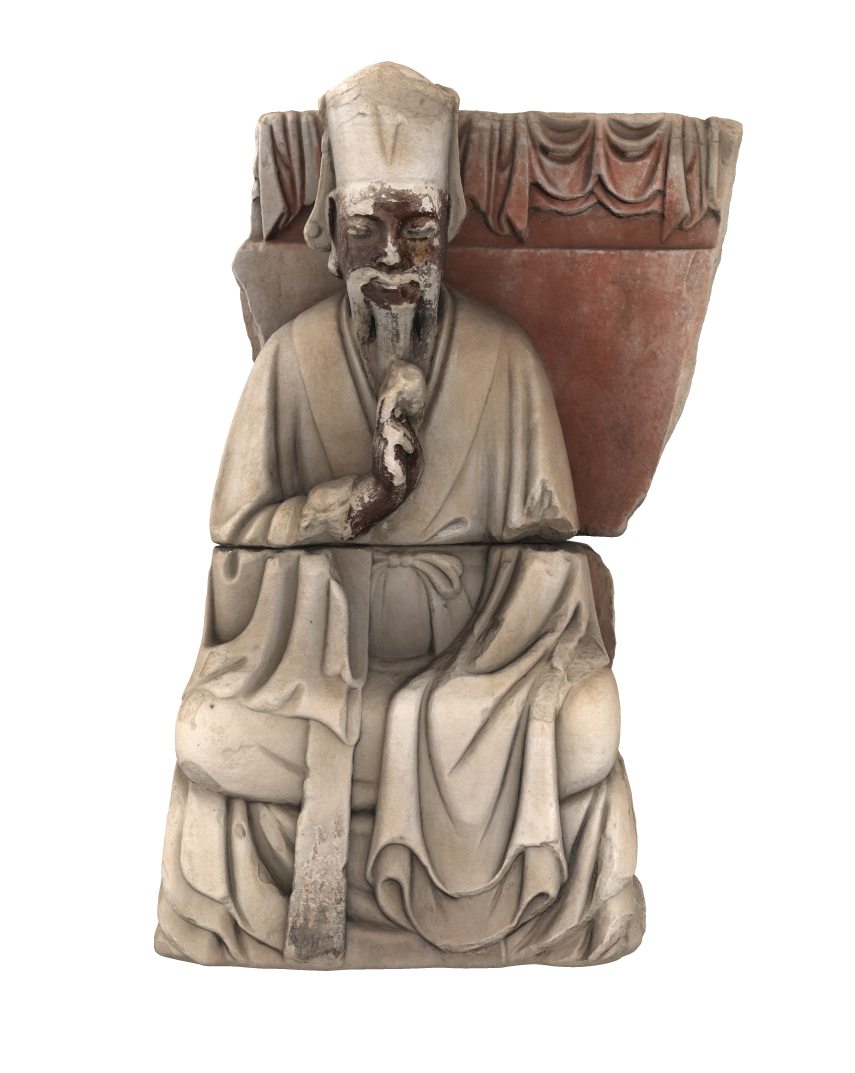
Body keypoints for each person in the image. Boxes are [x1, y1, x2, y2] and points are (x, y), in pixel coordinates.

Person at [156, 62, 643, 969]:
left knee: (585, 721)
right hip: (314, 666)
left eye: (415, 230)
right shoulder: (289, 364)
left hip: (482, 666)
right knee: (208, 730)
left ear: (446, 230)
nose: (390, 258)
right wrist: (360, 504)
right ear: (331, 240)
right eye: (364, 230)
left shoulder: (504, 359)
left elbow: (552, 558)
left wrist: (469, 670)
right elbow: (237, 547)